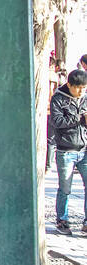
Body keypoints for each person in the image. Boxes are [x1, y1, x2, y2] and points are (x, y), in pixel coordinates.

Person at [49, 67, 87, 234]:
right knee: (65, 188)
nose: (80, 91)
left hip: (84, 149)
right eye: (78, 87)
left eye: (84, 88)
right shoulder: (58, 98)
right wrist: (79, 118)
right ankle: (62, 220)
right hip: (66, 151)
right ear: (70, 85)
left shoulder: (85, 98)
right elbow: (57, 121)